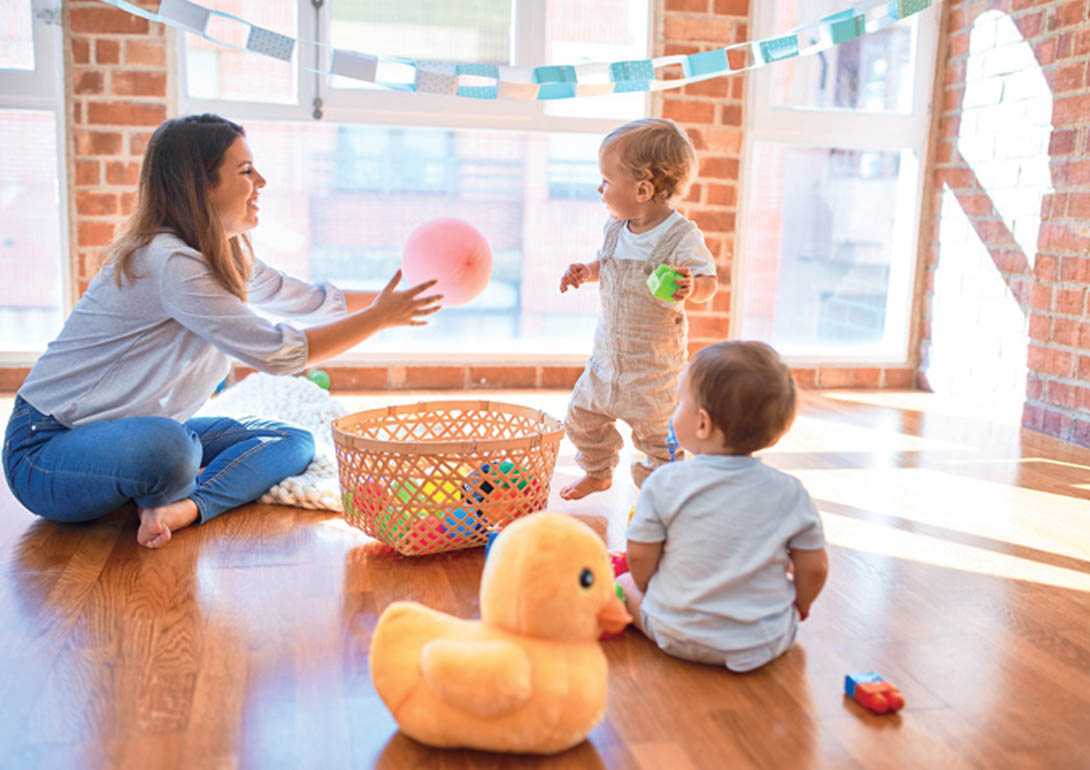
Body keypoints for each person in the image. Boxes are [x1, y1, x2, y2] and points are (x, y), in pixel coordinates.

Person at [2, 114, 442, 549]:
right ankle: (163, 481)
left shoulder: (221, 254)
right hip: (45, 449)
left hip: (139, 430)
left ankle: (182, 508)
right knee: (173, 451)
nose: (262, 182)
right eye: (246, 171)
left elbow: (311, 299)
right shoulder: (170, 261)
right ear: (201, 184)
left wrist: (408, 295)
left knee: (291, 440)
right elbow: (281, 354)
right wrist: (382, 317)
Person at [615, 341, 829, 672]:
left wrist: (648, 588)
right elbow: (813, 568)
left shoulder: (665, 482)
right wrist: (799, 604)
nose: (674, 412)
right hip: (766, 640)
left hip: (676, 633)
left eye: (678, 403)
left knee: (625, 583)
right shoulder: (791, 493)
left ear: (702, 424)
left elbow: (640, 555)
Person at [558, 118, 718, 500]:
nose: (600, 189)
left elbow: (709, 283)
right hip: (606, 361)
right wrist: (588, 271)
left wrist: (692, 286)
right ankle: (597, 471)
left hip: (653, 370)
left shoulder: (681, 236)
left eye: (607, 181)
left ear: (643, 189)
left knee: (660, 436)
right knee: (580, 418)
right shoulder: (616, 228)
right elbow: (609, 264)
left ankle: (659, 483)